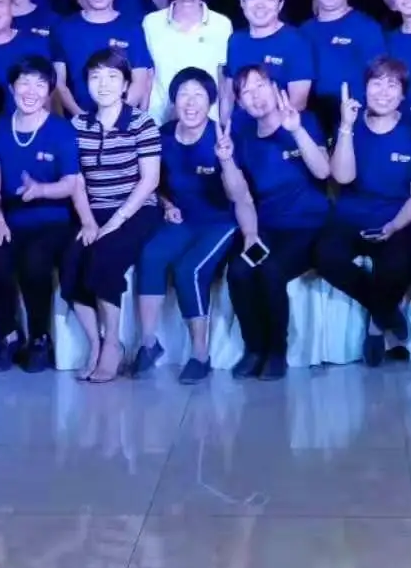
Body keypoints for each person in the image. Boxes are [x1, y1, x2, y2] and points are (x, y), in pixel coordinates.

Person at [133, 69, 254, 384]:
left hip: (220, 221)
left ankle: (200, 355)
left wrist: (225, 160)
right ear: (174, 100)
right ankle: (148, 343)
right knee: (151, 255)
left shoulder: (223, 137)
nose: (190, 102)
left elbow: (239, 195)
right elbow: (154, 181)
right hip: (182, 219)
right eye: (183, 94)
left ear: (210, 102)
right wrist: (166, 204)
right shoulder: (163, 135)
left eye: (198, 95)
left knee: (190, 269)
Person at [313, 59, 411, 365]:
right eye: (376, 83)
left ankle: (376, 328)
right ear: (365, 88)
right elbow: (342, 178)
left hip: (396, 218)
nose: (383, 92)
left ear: (403, 94)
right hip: (349, 216)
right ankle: (386, 311)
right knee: (325, 258)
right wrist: (346, 128)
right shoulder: (350, 124)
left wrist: (394, 226)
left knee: (397, 265)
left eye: (392, 85)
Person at [219, 65, 330, 381]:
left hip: (309, 227)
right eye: (246, 92)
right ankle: (254, 349)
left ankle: (277, 351)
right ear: (241, 104)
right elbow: (240, 196)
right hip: (268, 228)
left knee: (271, 270)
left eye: (260, 86)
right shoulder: (243, 137)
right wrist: (226, 161)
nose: (256, 96)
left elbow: (324, 171)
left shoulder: (304, 120)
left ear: (275, 88)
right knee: (239, 271)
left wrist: (296, 130)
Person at [62, 49, 164, 382]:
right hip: (92, 210)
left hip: (136, 209)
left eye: (112, 77)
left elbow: (150, 180)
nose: (103, 84)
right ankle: (96, 343)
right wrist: (89, 220)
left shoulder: (141, 122)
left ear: (125, 84)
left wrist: (117, 220)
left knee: (104, 256)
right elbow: (76, 179)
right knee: (70, 261)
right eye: (95, 77)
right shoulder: (78, 125)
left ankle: (112, 346)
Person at [0, 58, 80, 373]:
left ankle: (40, 337)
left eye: (39, 84)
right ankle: (8, 334)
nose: (31, 91)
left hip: (53, 218)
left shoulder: (61, 130)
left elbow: (71, 183)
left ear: (49, 90)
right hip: (8, 218)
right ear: (12, 88)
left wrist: (41, 190)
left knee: (35, 261)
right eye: (24, 83)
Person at [53, 0, 153, 118]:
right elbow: (59, 83)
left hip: (121, 123)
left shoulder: (131, 28)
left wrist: (113, 118)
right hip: (78, 122)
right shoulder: (64, 28)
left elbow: (140, 80)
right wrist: (82, 118)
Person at [141, 0, 233, 124]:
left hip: (207, 125)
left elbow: (224, 85)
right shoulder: (151, 23)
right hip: (158, 123)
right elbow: (146, 79)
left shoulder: (222, 25)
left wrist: (223, 126)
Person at [301, 0, 388, 131]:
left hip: (356, 124)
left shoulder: (366, 28)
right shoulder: (303, 31)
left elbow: (380, 79)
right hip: (311, 125)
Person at [228, 0, 314, 117]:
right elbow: (229, 94)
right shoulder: (236, 40)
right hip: (241, 126)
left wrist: (268, 127)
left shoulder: (296, 42)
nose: (260, 5)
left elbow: (298, 102)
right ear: (242, 2)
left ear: (280, 5)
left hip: (281, 125)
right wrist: (225, 125)